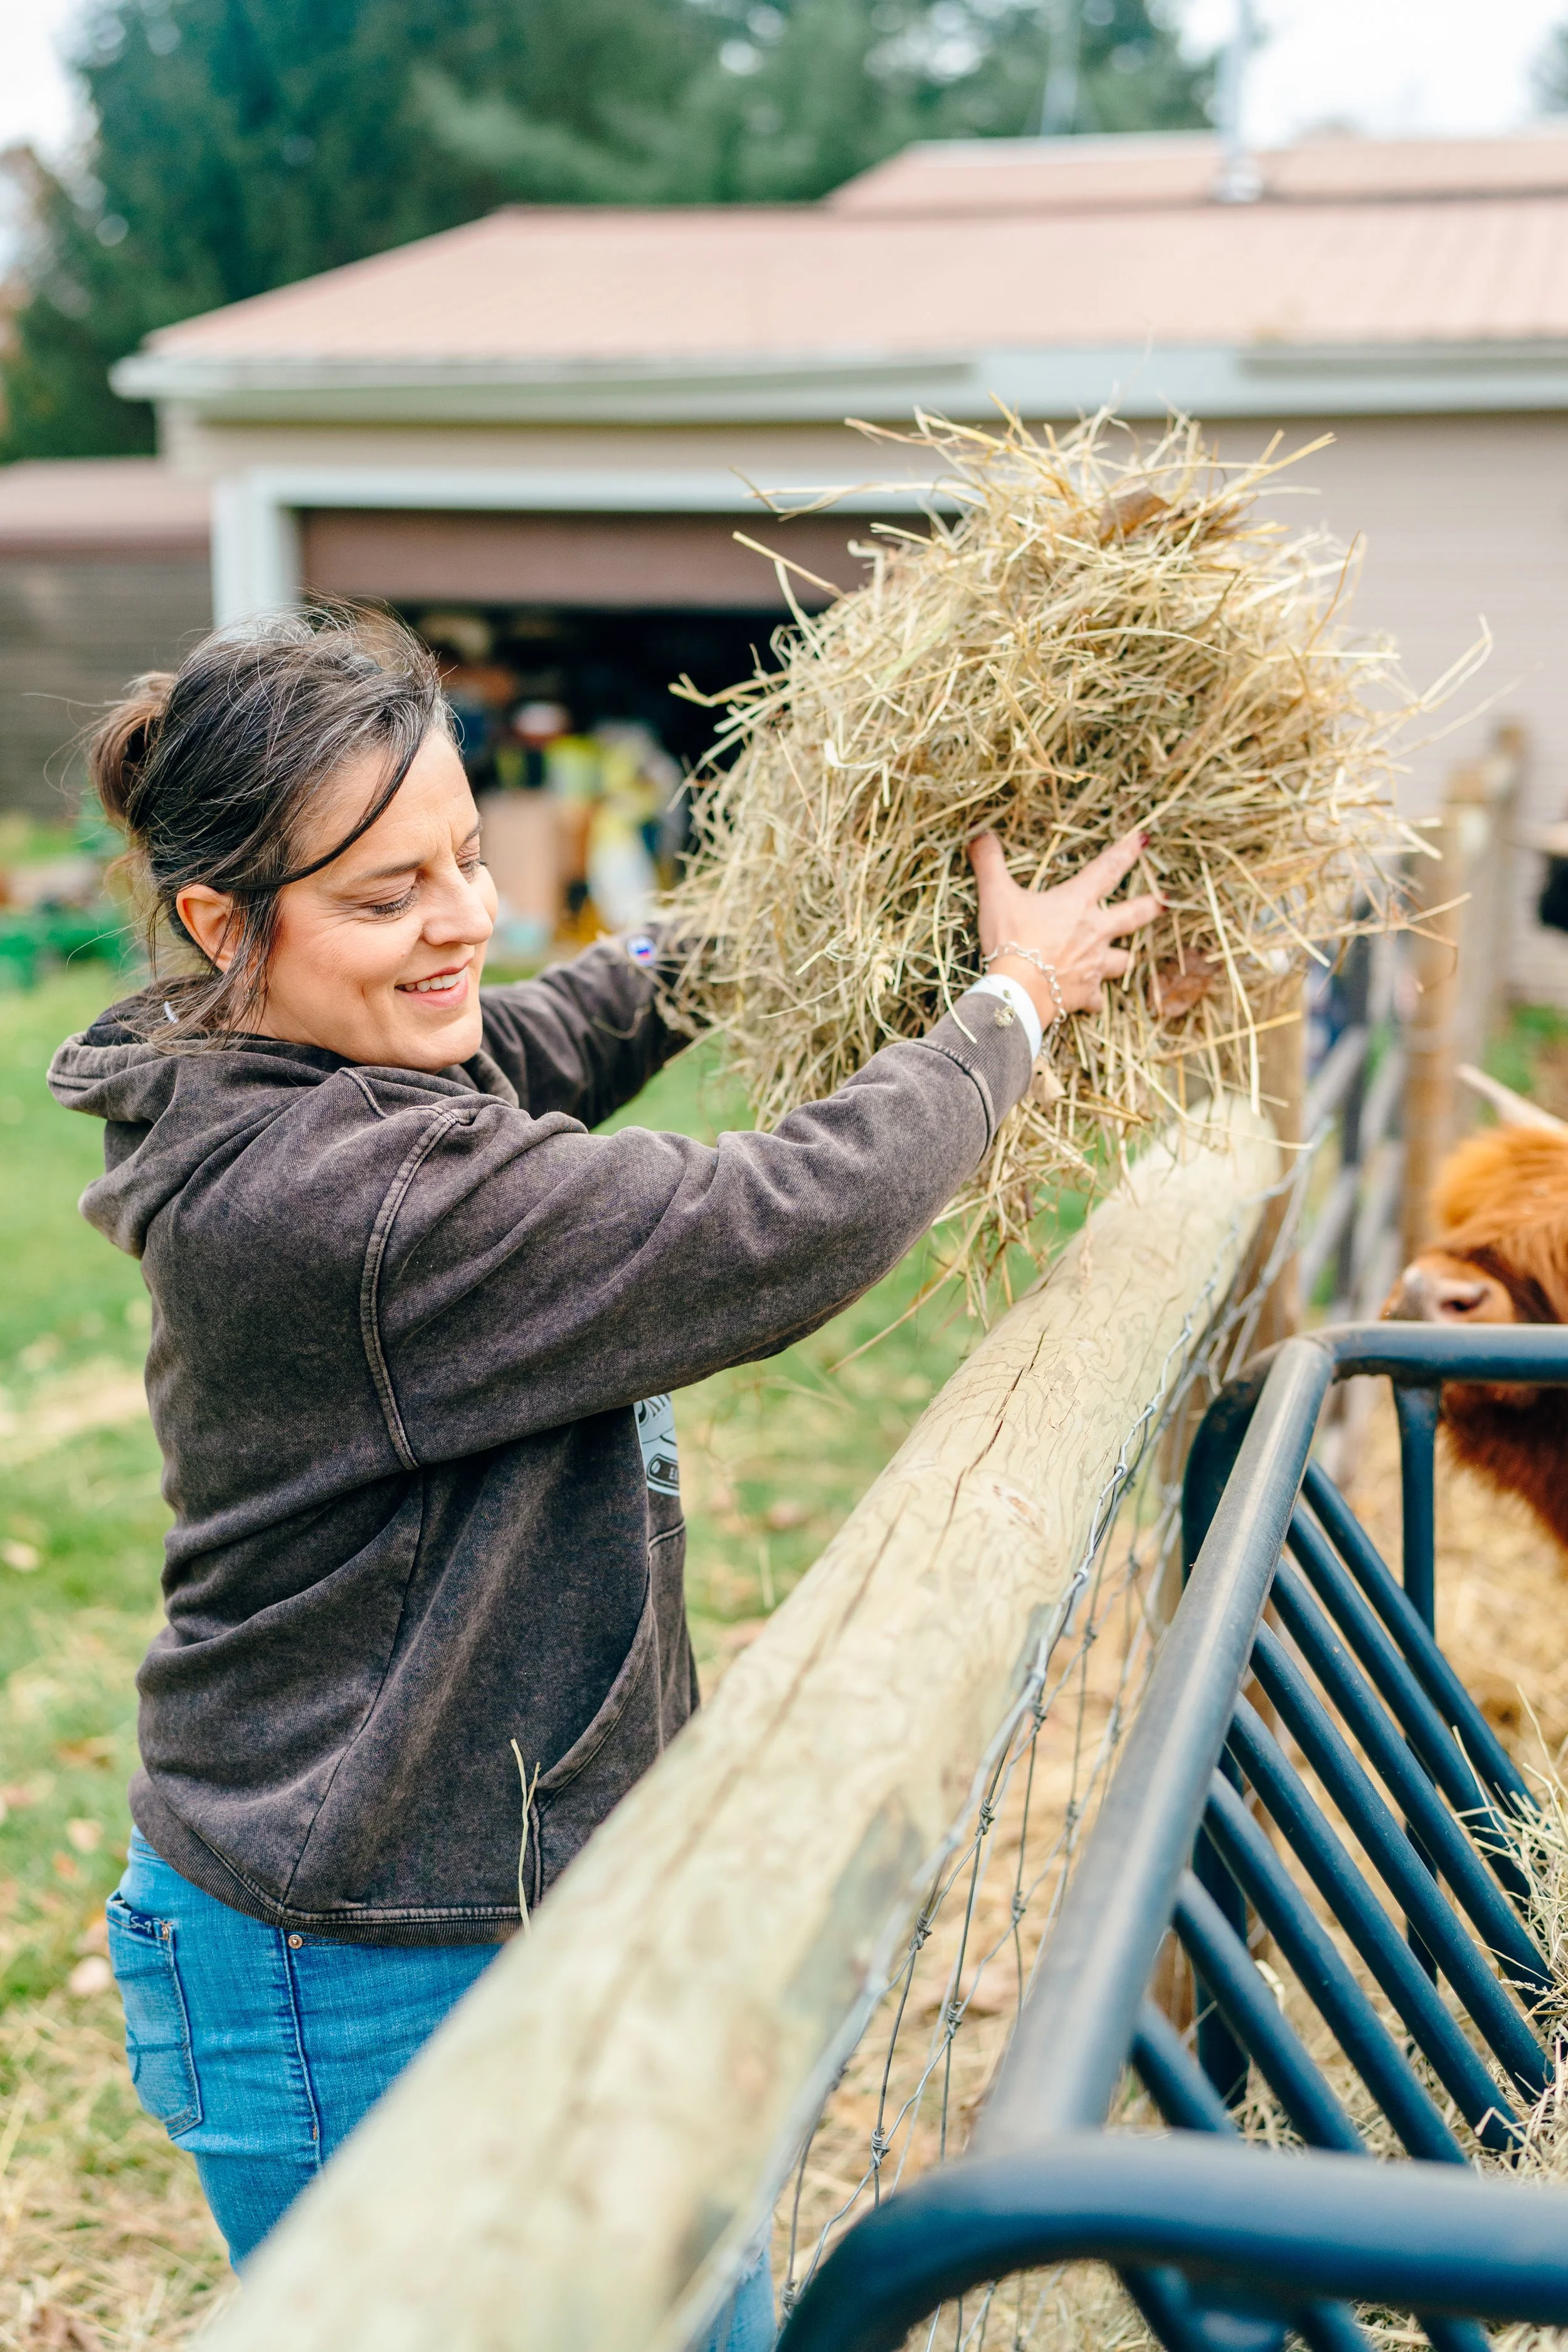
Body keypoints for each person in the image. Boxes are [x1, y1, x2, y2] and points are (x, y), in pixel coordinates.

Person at [48, 609, 1160, 2320]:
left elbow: (555, 1022)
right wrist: (1010, 1003)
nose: (465, 923)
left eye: (469, 859)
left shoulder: (326, 1065)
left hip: (483, 1880)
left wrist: (822, 887)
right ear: (221, 922)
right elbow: (777, 1220)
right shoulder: (345, 1202)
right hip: (350, 1948)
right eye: (385, 894)